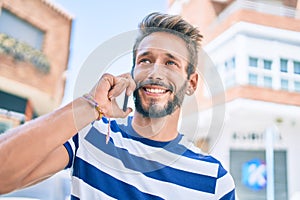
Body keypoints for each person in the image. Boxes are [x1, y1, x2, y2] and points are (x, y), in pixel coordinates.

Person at [0, 12, 235, 199]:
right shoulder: (91, 136)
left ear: (191, 82)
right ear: (133, 72)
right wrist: (89, 106)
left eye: (171, 62)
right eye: (146, 60)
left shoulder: (214, 180)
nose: (155, 72)